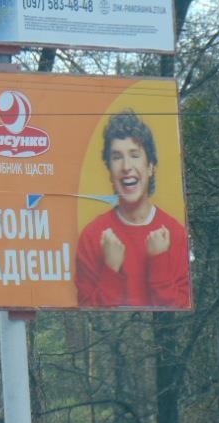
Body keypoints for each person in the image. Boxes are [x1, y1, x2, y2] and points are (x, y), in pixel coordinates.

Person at [75, 110, 191, 308]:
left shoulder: (175, 233)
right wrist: (111, 268)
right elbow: (89, 314)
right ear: (109, 171)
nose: (126, 166)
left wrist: (159, 260)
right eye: (117, 157)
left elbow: (178, 313)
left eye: (134, 155)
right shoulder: (92, 236)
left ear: (150, 167)